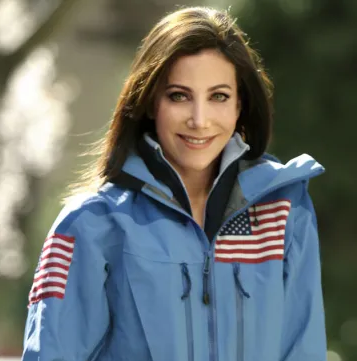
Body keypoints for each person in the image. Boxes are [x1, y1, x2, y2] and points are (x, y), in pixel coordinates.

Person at [22, 6, 327, 361]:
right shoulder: (90, 226)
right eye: (179, 96)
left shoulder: (285, 213)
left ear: (240, 104)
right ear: (151, 102)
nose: (199, 120)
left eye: (218, 96)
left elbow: (304, 351)